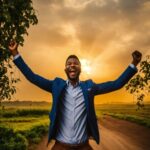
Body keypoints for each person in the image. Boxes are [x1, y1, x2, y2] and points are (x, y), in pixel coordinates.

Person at [9, 41, 142, 150]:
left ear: (80, 69)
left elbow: (116, 84)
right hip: (61, 146)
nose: (72, 65)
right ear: (65, 69)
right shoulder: (56, 85)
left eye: (75, 63)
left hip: (83, 146)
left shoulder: (89, 87)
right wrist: (15, 52)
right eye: (69, 64)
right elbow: (32, 77)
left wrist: (134, 63)